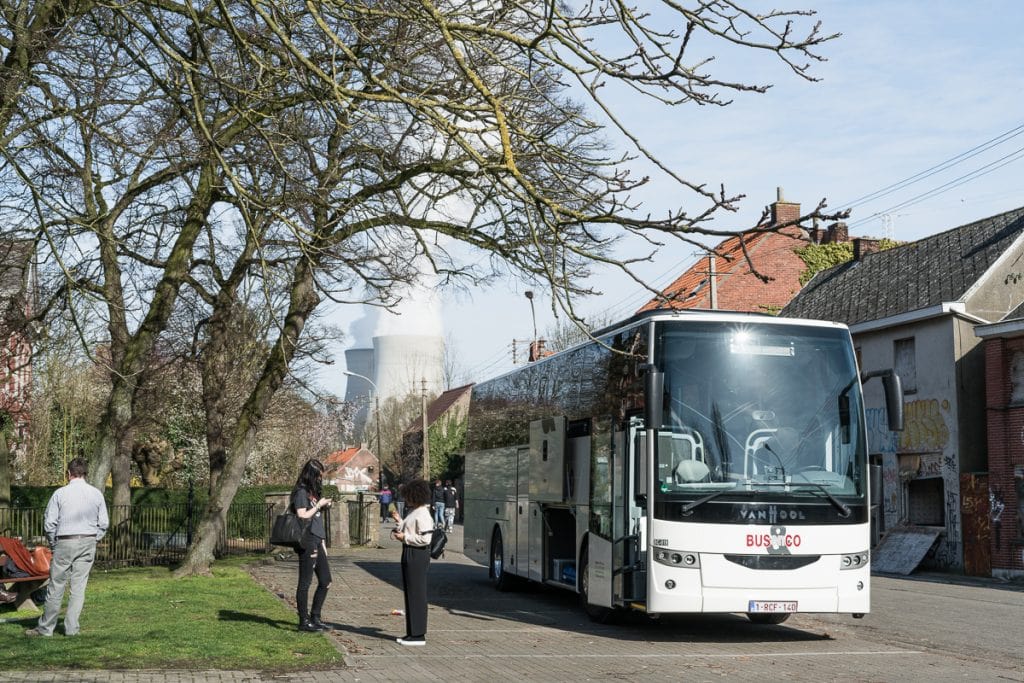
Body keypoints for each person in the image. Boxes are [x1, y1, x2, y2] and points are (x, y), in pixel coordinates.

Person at [25, 457, 109, 637]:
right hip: (88, 540)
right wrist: (94, 539)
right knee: (78, 587)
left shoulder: (60, 494)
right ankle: (71, 629)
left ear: (69, 473)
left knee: (56, 585)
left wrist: (54, 544)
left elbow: (49, 523)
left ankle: (46, 628)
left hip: (65, 540)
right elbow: (103, 523)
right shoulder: (96, 494)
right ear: (86, 474)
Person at [291, 459, 333, 632]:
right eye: (318, 476)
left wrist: (322, 507)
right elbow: (302, 515)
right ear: (311, 474)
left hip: (317, 538)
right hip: (307, 540)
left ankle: (315, 616)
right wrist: (319, 506)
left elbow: (315, 518)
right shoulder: (301, 492)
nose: (319, 479)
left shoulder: (312, 492)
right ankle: (304, 621)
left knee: (326, 580)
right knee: (305, 582)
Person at [390, 479, 434, 646]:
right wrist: (399, 521)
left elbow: (426, 538)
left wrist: (405, 538)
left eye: (408, 496)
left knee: (417, 593)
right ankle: (412, 632)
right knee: (410, 592)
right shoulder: (415, 511)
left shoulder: (422, 513)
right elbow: (410, 529)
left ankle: (418, 634)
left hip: (417, 554)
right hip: (410, 552)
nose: (406, 499)